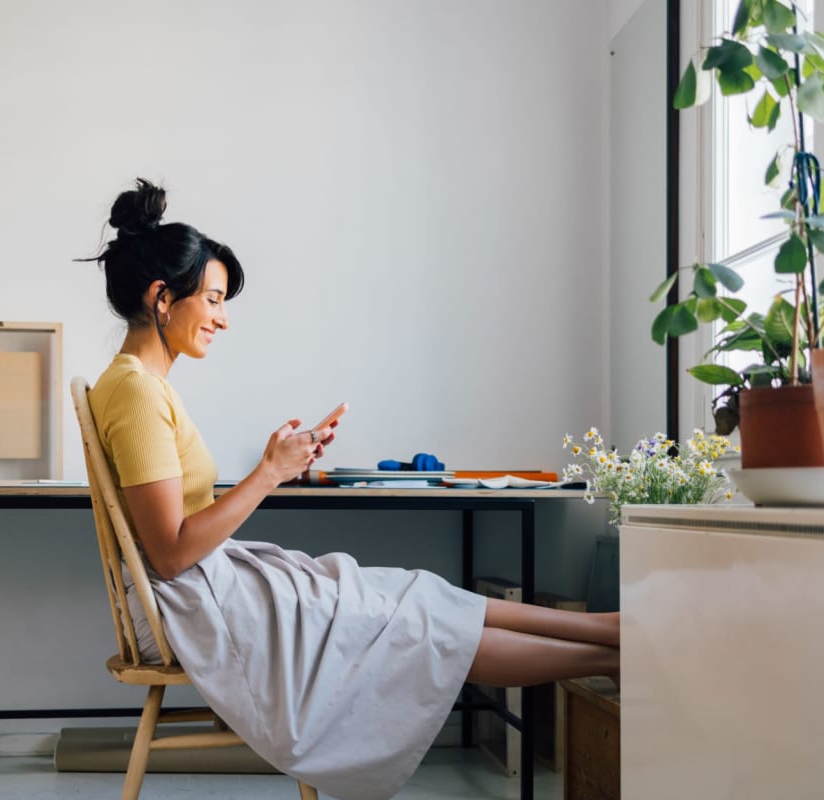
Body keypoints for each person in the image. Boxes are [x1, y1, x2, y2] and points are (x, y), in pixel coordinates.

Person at [84, 178, 619, 800]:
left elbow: (176, 537)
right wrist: (269, 474)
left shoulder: (141, 386)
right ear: (162, 298)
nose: (223, 319)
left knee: (416, 597)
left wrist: (274, 462)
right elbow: (172, 553)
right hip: (188, 603)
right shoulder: (136, 390)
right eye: (213, 299)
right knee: (414, 622)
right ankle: (613, 652)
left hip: (209, 585)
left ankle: (609, 633)